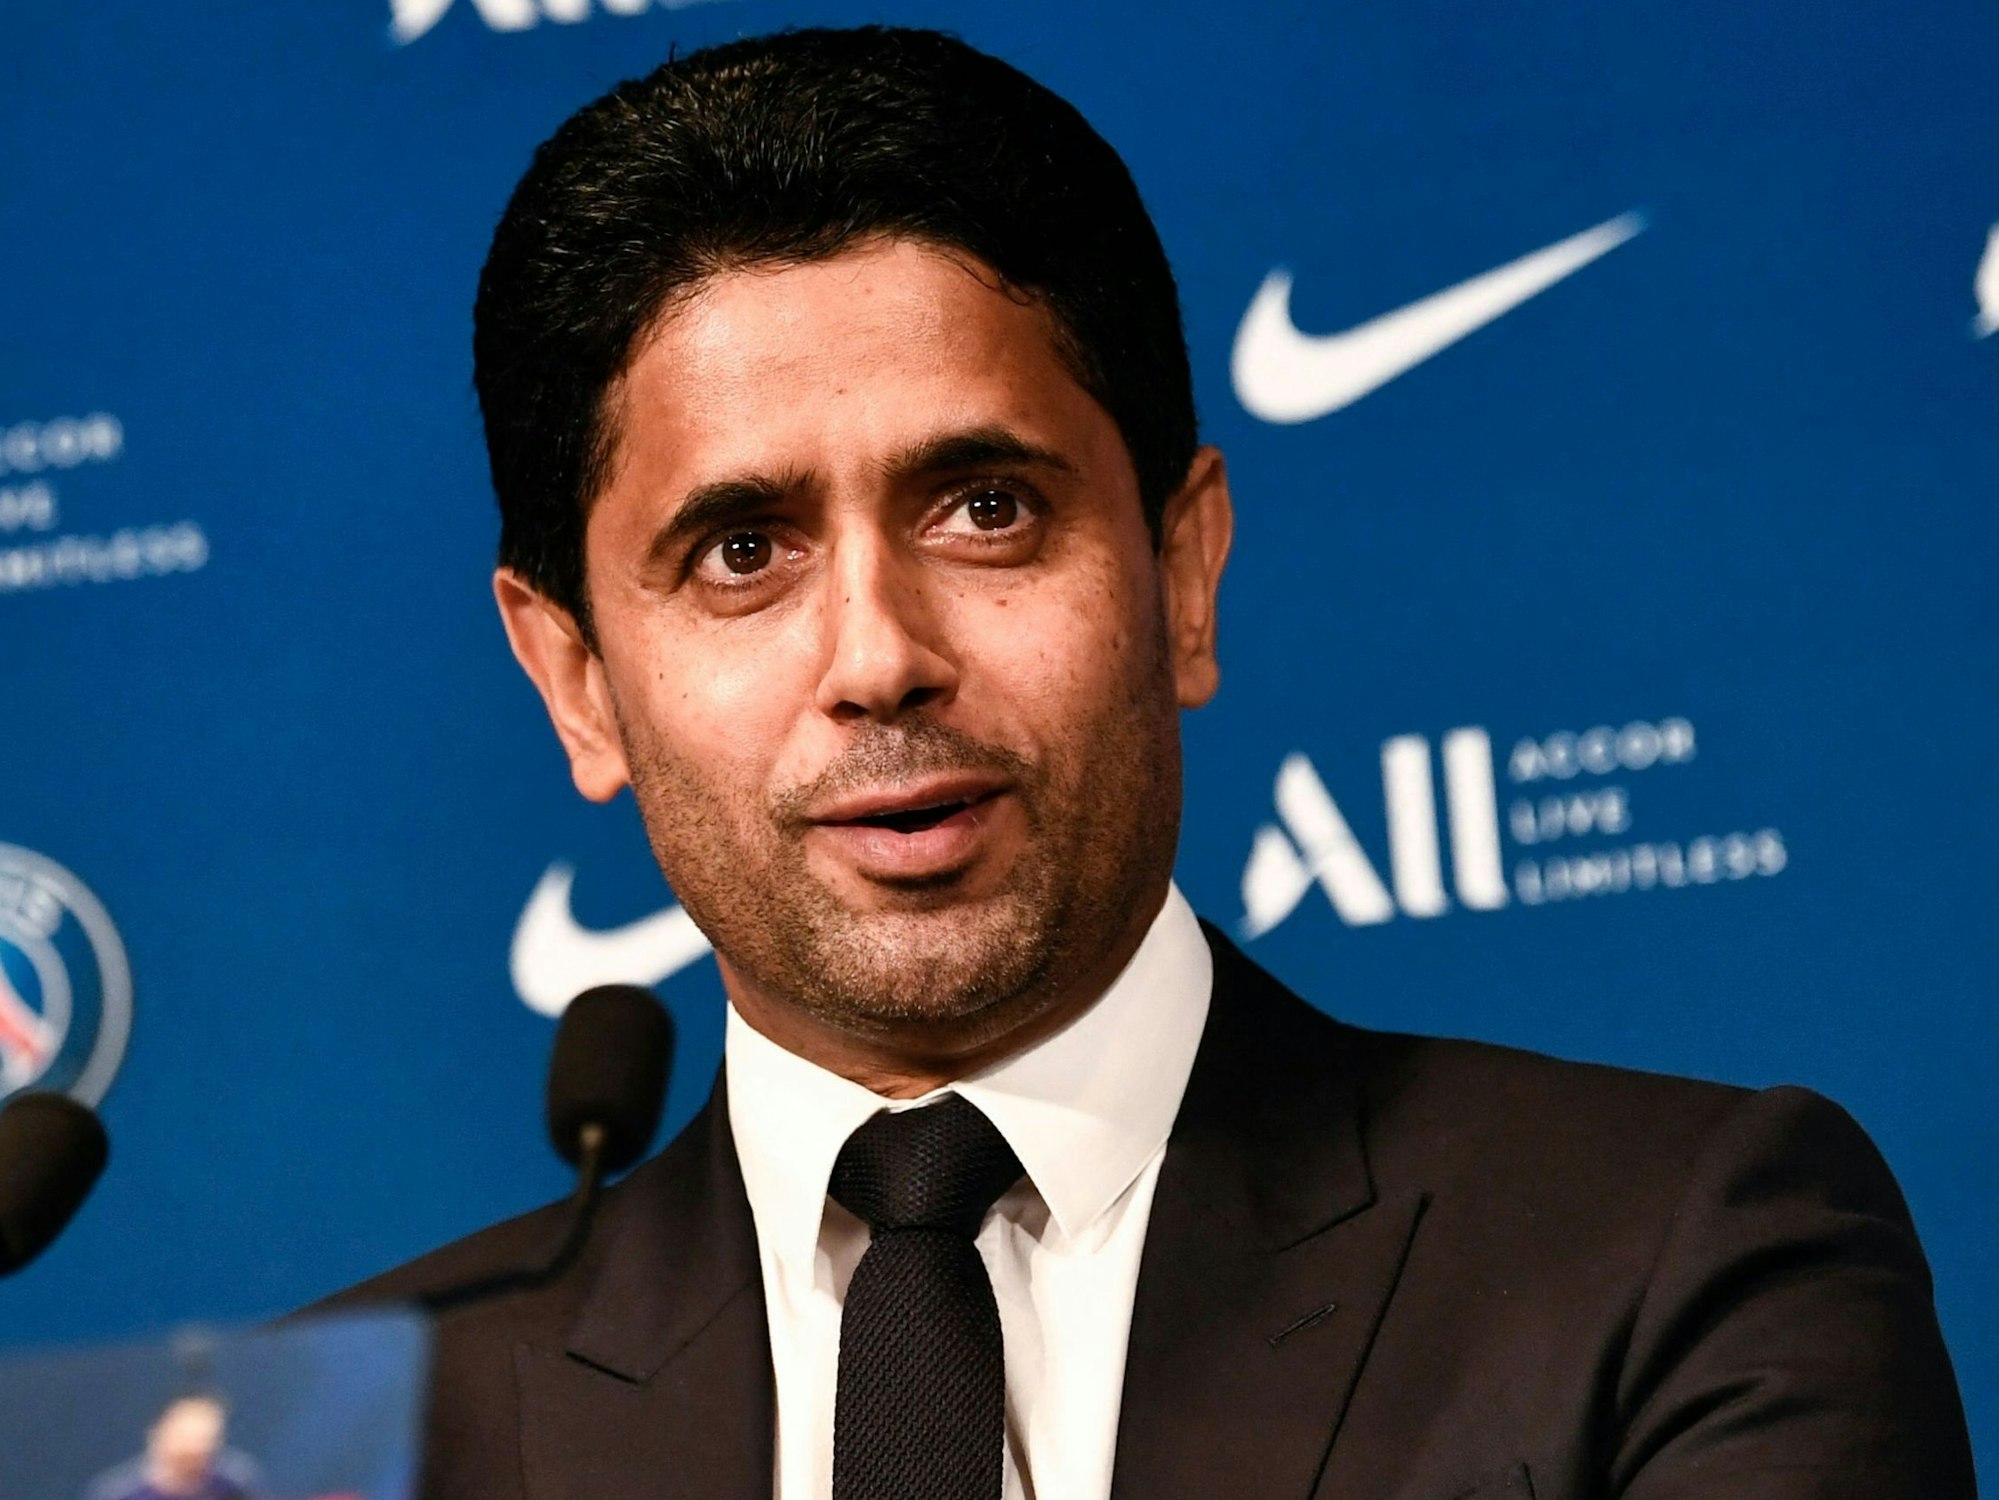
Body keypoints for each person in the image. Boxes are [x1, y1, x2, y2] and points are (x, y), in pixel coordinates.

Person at [328, 25, 1975, 1500]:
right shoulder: (355, 1447)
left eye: (985, 509)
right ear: (576, 683)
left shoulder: (1675, 1260)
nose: (877, 657)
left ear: (1181, 573)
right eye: (742, 550)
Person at [88, 1395, 256, 1500]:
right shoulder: (120, 1494)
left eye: (206, 1439)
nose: (196, 1448)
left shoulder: (235, 1484)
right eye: (187, 1437)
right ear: (158, 1435)